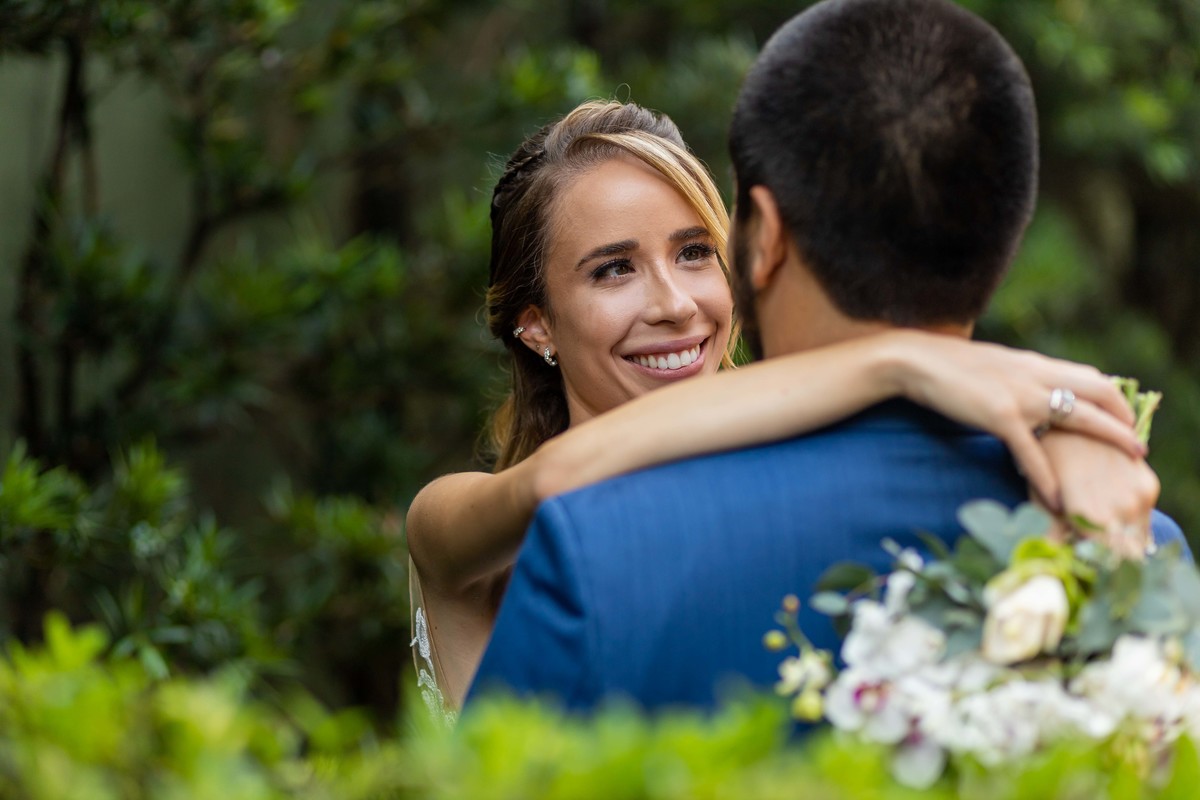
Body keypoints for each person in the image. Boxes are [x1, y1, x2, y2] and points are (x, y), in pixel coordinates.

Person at [465, 0, 1188, 712]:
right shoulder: (1136, 546)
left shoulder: (600, 557)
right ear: (1007, 231)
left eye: (695, 251)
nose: (676, 305)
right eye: (613, 269)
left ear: (764, 236)